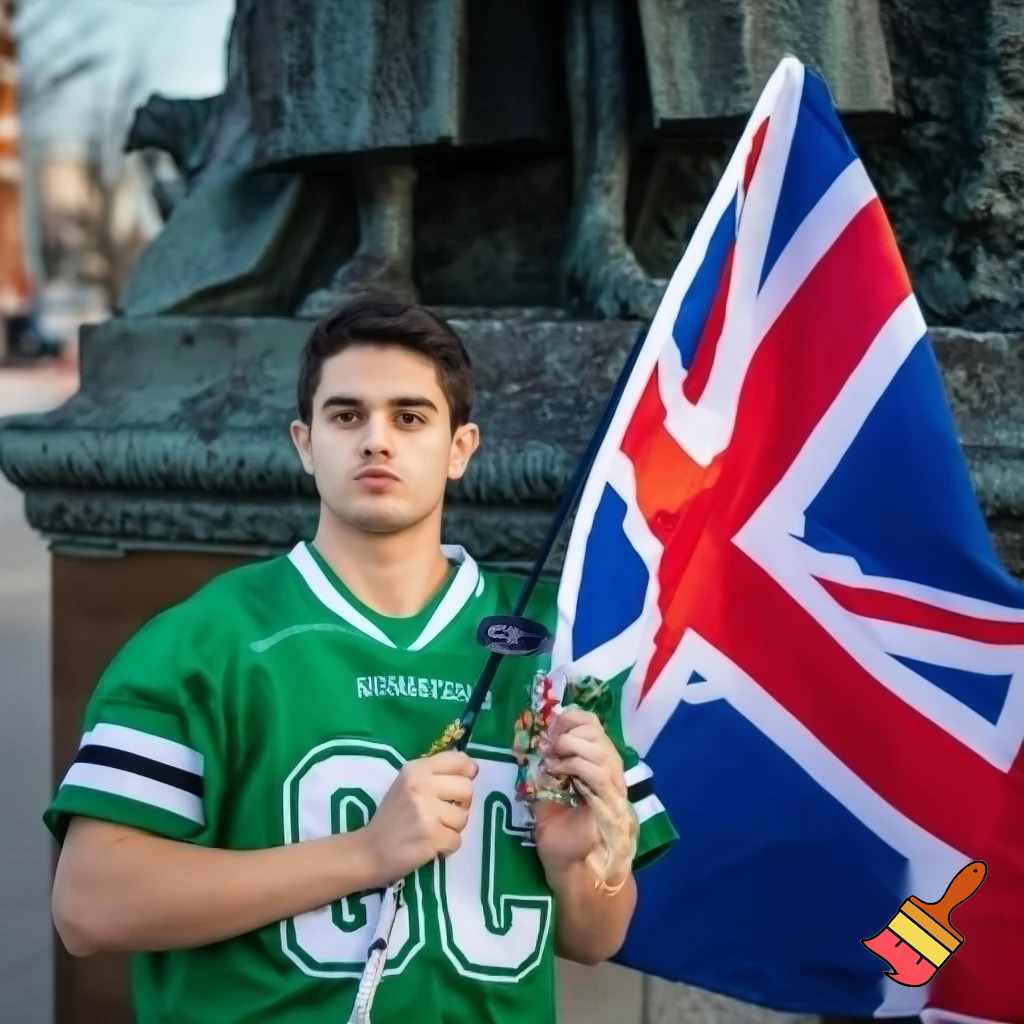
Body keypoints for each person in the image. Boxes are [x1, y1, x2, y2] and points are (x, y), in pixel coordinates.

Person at [44, 294, 678, 1022]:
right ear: (305, 441)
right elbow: (89, 905)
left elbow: (596, 936)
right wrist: (367, 853)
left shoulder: (553, 648)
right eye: (347, 416)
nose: (377, 440)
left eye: (410, 417)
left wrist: (576, 865)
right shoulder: (204, 641)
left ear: (460, 447)